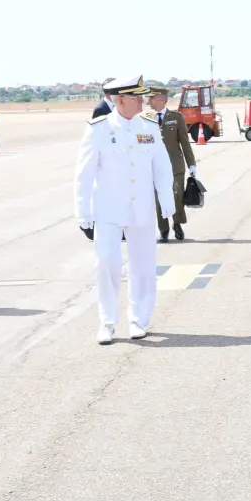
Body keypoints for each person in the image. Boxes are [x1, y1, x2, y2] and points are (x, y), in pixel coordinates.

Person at [73, 75, 175, 344]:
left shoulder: (150, 126)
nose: (142, 101)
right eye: (136, 97)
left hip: (140, 208)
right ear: (120, 101)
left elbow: (161, 165)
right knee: (106, 262)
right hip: (107, 209)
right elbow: (83, 174)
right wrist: (82, 212)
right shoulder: (98, 128)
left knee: (143, 265)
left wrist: (167, 200)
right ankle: (107, 321)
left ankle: (138, 318)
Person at [148, 87, 197, 241]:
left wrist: (192, 164)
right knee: (159, 200)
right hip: (155, 167)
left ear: (161, 99)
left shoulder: (176, 117)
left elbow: (184, 142)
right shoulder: (145, 118)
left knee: (177, 196)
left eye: (151, 98)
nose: (148, 101)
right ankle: (163, 230)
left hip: (175, 165)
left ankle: (177, 223)